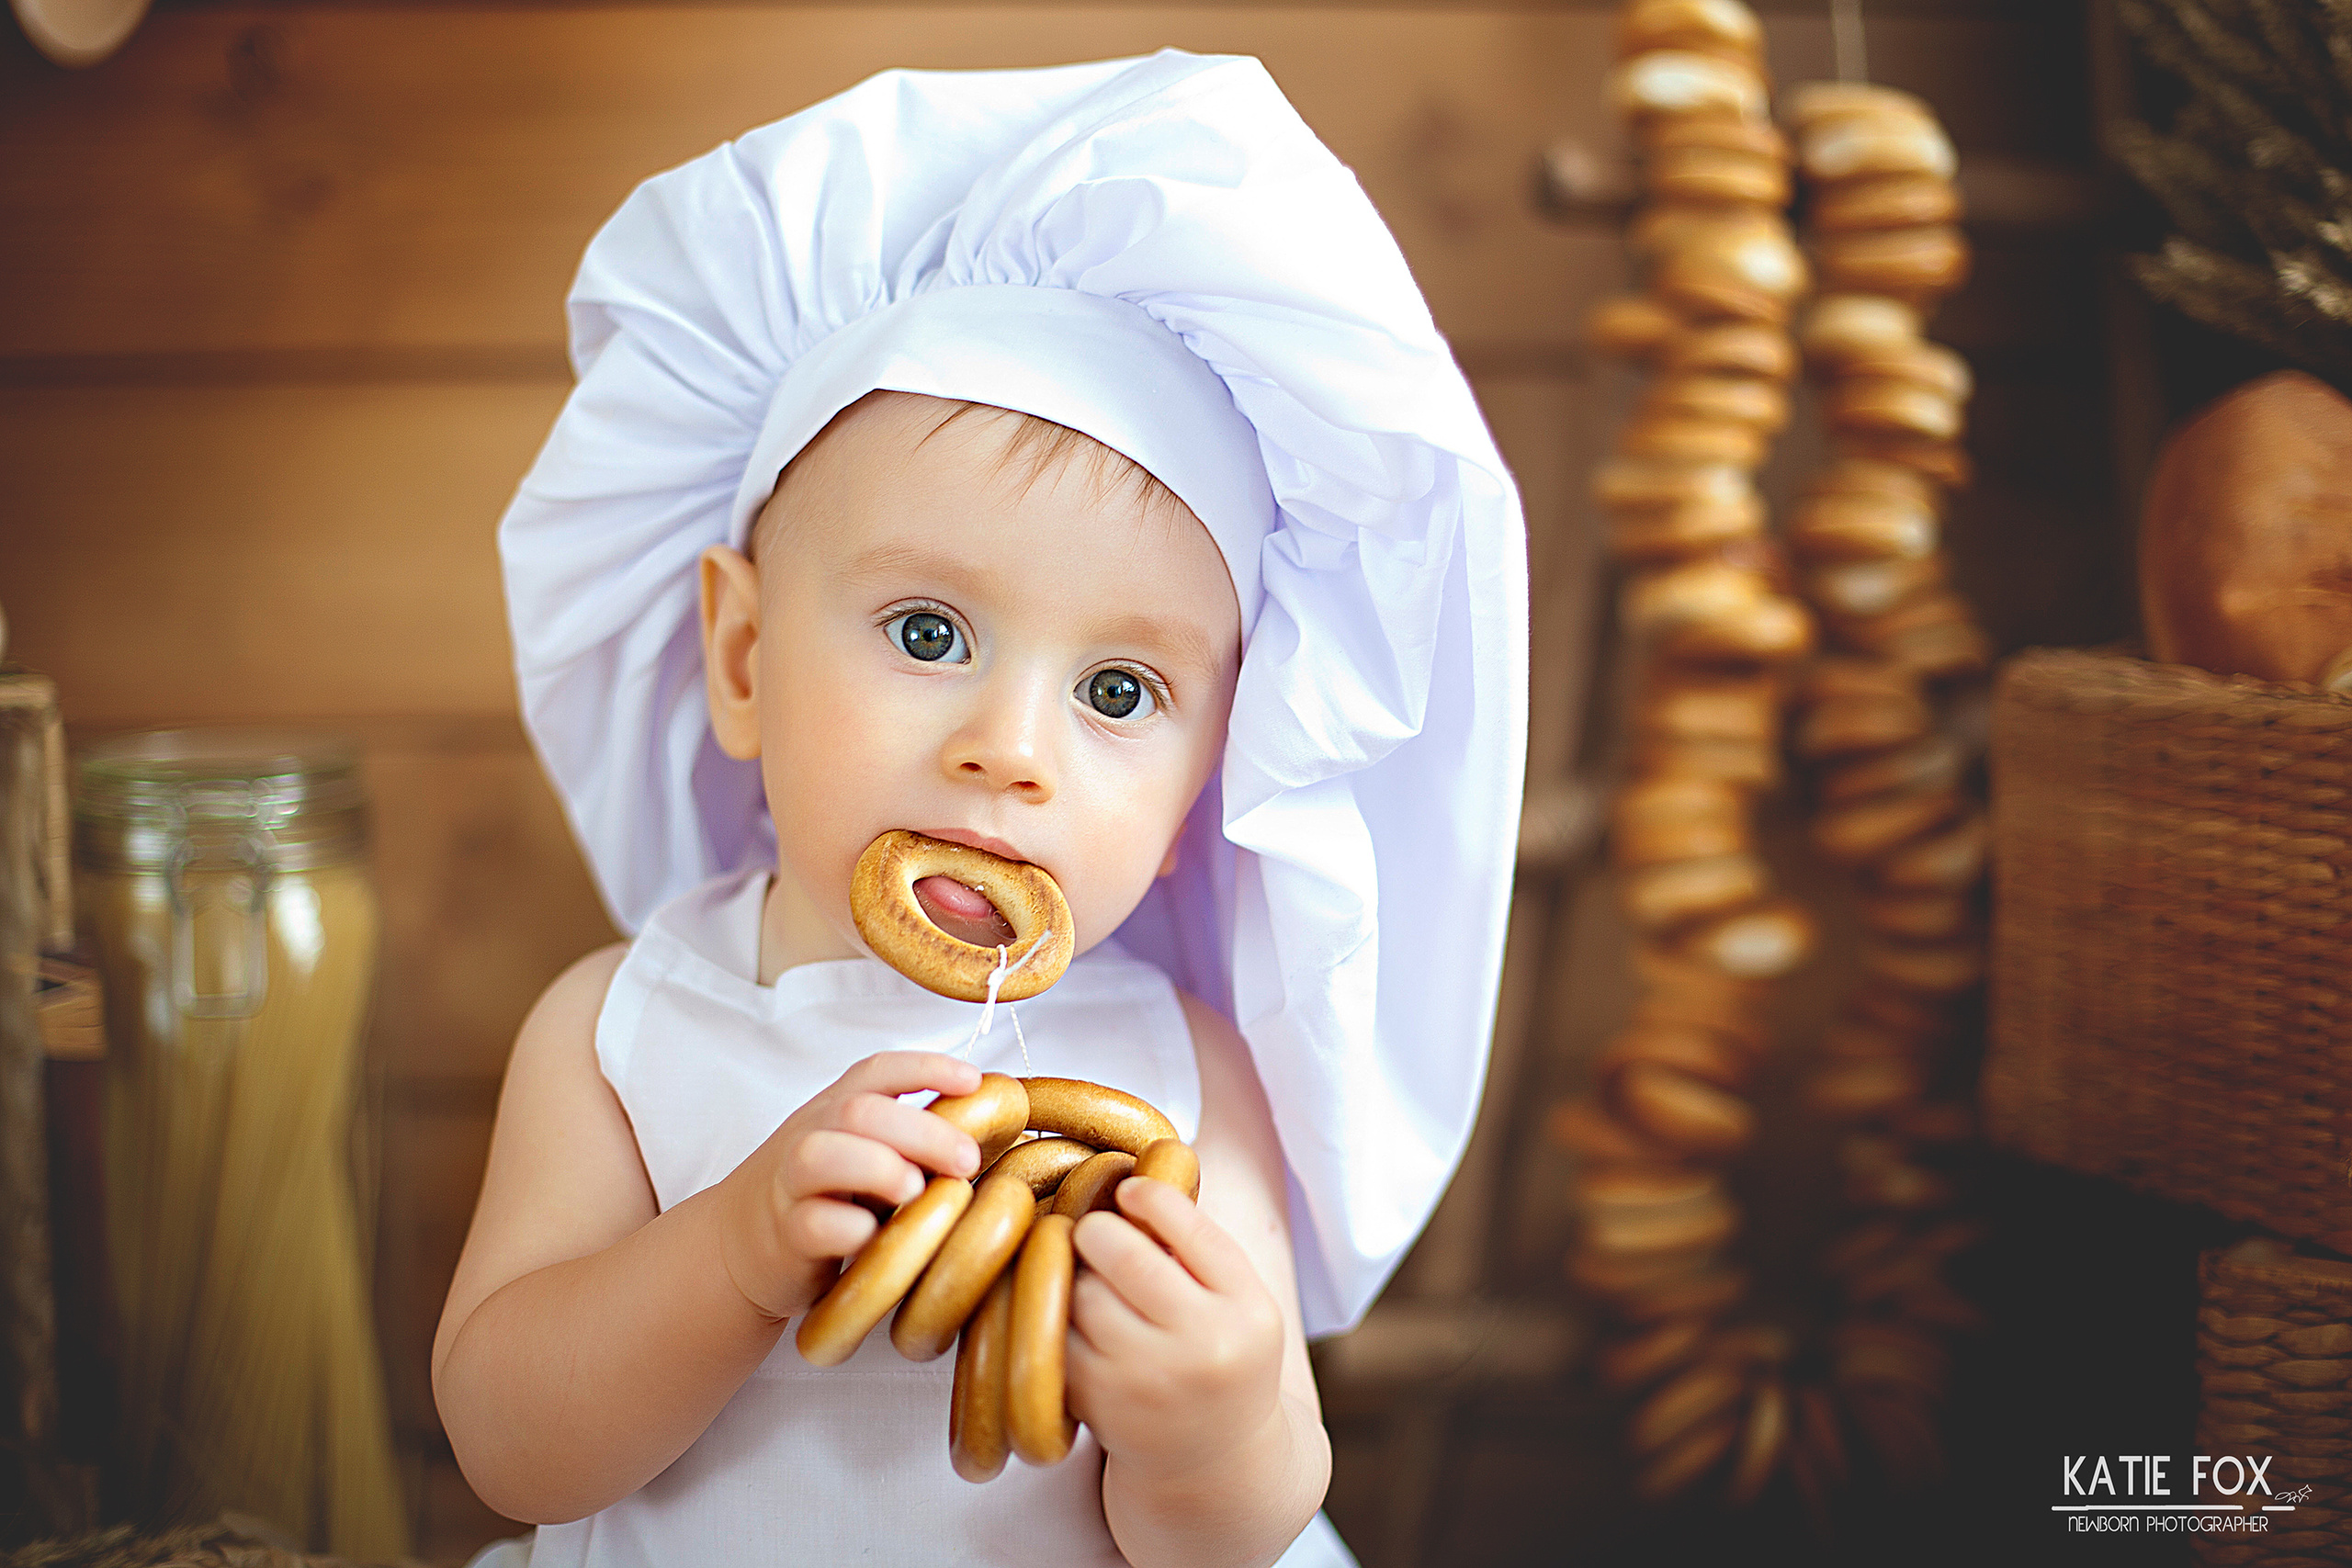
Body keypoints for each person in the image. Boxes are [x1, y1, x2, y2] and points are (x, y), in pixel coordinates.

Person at [435, 49, 1526, 1568]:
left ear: (1209, 770)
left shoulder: (1185, 1079)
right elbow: (509, 1446)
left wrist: (1217, 1427)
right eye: (929, 635)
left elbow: (1232, 1536)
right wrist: (734, 1251)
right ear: (744, 656)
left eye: (1121, 693)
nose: (1012, 752)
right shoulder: (624, 1032)